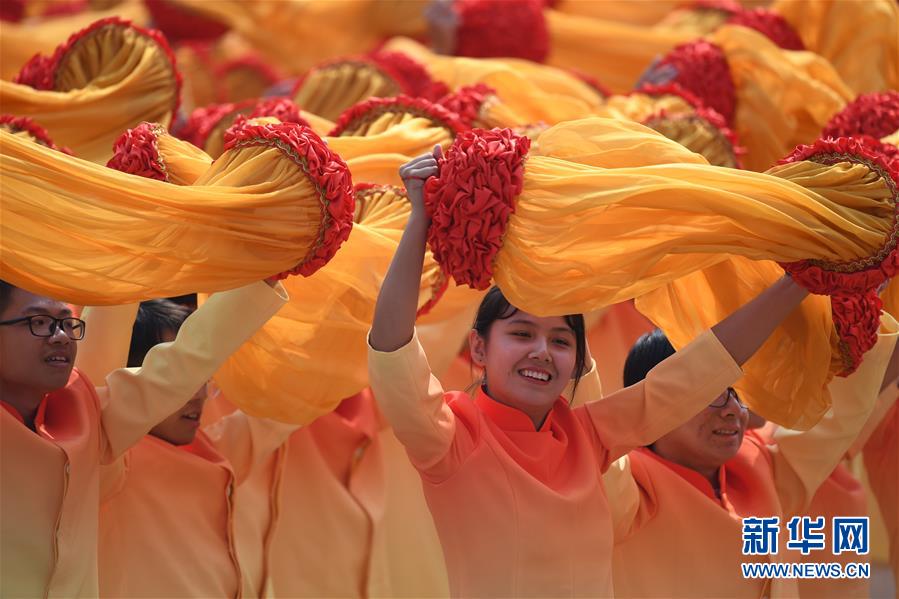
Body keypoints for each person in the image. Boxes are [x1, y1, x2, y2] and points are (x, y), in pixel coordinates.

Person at [367, 148, 809, 597]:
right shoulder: (450, 437)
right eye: (522, 334)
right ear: (479, 346)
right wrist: (419, 220)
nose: (542, 352)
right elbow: (392, 348)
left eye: (561, 341)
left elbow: (703, 368)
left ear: (579, 363)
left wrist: (801, 280)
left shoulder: (590, 435)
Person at [0, 277, 287, 597]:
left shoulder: (82, 416)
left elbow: (181, 366)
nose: (61, 336)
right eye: (39, 322)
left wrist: (261, 281)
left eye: (67, 323)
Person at [606, 327, 899, 598]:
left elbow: (842, 412)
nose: (732, 410)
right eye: (711, 393)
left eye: (737, 393)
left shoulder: (757, 464)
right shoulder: (626, 486)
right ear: (649, 402)